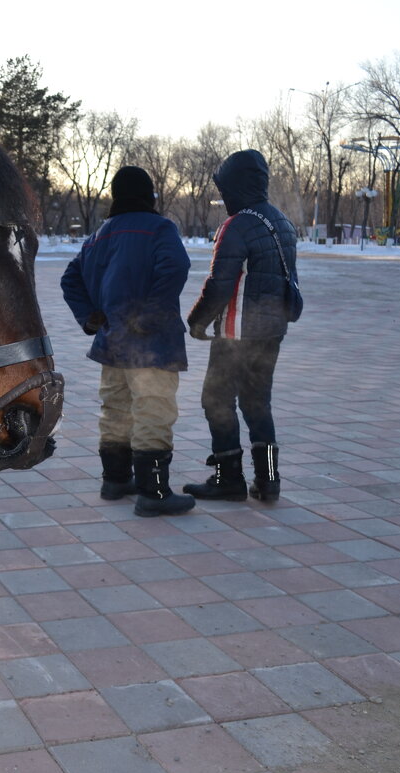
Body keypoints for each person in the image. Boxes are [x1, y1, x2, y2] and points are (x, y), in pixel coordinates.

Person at [61, 166, 195, 517]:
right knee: (153, 410)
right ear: (148, 196)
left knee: (116, 410)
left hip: (111, 343)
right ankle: (154, 493)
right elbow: (176, 267)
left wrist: (91, 316)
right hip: (151, 344)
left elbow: (70, 279)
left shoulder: (99, 235)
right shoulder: (160, 229)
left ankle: (116, 479)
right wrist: (150, 316)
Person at [184, 149, 298, 503]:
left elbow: (220, 284)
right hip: (272, 330)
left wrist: (197, 321)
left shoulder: (237, 225)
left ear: (236, 186)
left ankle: (227, 478)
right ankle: (268, 481)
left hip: (237, 332)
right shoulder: (281, 221)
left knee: (215, 399)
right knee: (257, 402)